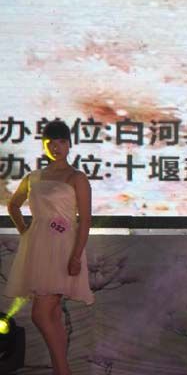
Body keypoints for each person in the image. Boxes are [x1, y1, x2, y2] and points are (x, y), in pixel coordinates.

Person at [4, 120, 94, 375]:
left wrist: (76, 256)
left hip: (64, 249)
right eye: (50, 143)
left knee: (41, 314)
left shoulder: (77, 178)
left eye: (61, 142)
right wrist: (25, 231)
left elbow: (85, 220)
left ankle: (63, 371)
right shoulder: (33, 177)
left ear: (69, 144)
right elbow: (13, 205)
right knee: (51, 315)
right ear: (44, 146)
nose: (56, 147)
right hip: (39, 249)